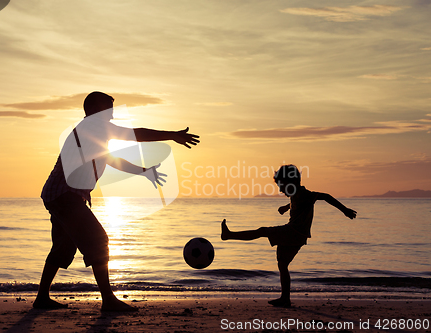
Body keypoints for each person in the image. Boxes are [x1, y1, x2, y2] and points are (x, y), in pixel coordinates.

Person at [35, 91, 200, 311]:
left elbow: (112, 160)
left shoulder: (92, 134)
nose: (112, 115)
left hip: (59, 195)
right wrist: (171, 135)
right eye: (108, 110)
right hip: (65, 196)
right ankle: (108, 300)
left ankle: (41, 298)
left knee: (63, 247)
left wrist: (143, 171)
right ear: (95, 110)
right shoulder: (93, 127)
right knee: (99, 241)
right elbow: (135, 134)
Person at [221, 164, 356, 308]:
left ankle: (229, 235)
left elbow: (326, 197)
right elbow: (296, 201)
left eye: (281, 186)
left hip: (293, 232)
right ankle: (285, 299)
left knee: (263, 231)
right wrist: (286, 207)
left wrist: (345, 210)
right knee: (282, 263)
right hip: (298, 236)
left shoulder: (304, 194)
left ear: (290, 182)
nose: (280, 190)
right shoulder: (296, 194)